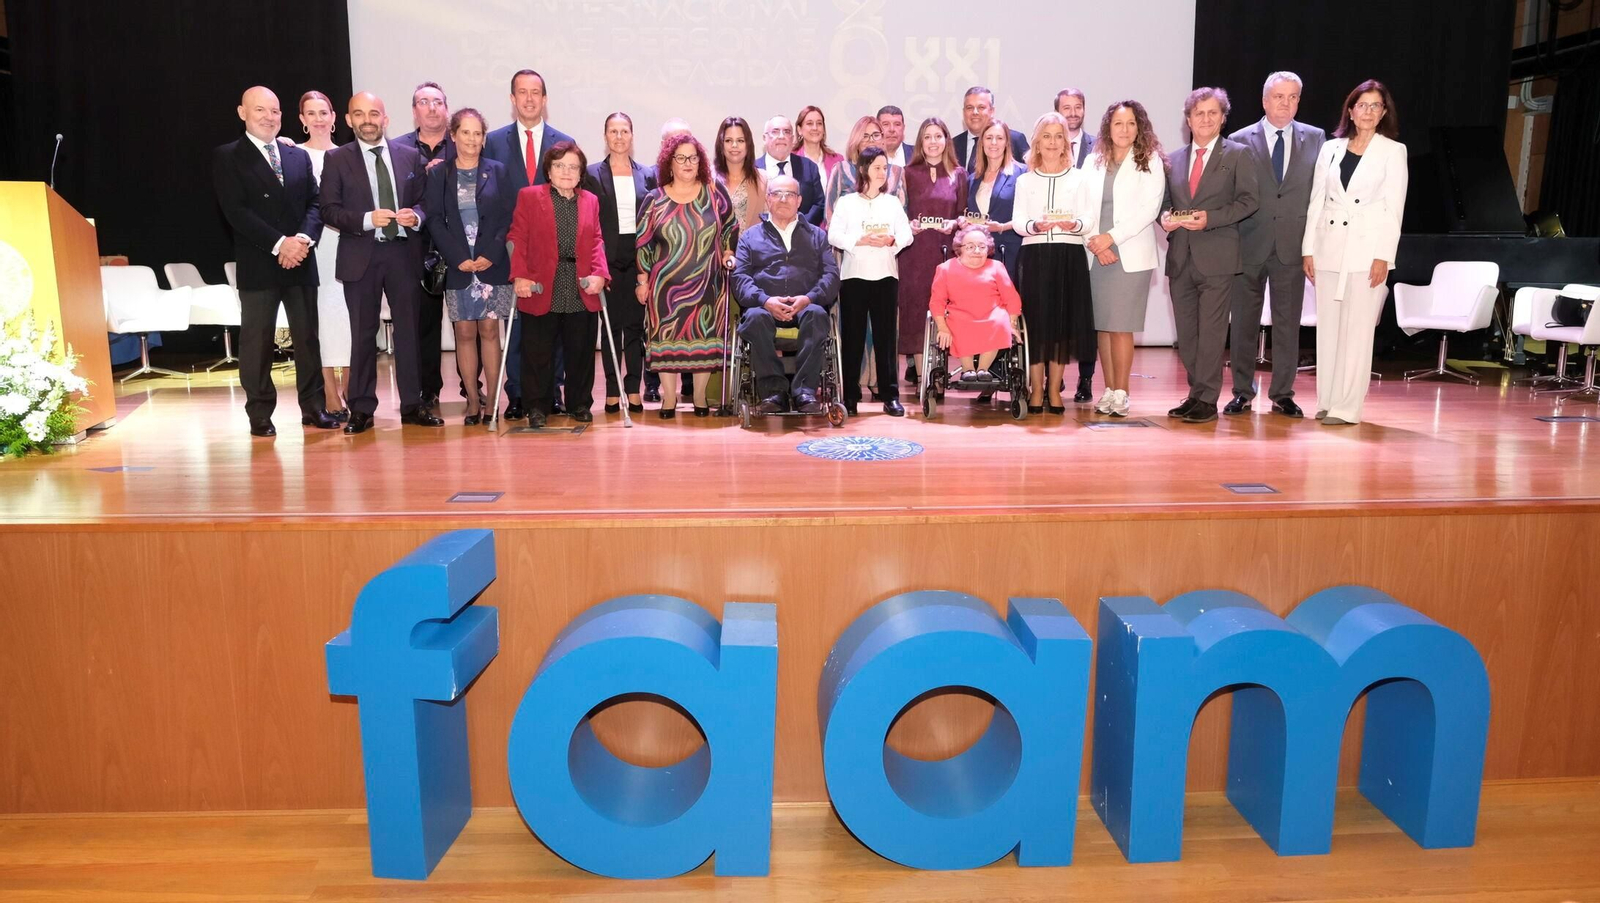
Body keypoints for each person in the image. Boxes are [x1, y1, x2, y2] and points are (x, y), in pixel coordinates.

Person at [212, 86, 338, 438]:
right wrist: (281, 244)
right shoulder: (228, 156)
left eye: (275, 111)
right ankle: (260, 413)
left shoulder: (296, 156)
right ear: (243, 113)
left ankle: (313, 407)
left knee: (307, 340)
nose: (269, 117)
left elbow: (315, 202)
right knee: (258, 343)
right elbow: (236, 211)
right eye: (260, 110)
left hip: (301, 260)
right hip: (259, 263)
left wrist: (303, 240)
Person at [319, 90, 437, 434]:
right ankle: (361, 409)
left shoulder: (409, 156)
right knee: (362, 334)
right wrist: (367, 219)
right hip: (361, 256)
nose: (367, 120)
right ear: (349, 120)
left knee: (409, 333)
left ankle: (413, 405)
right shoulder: (336, 159)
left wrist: (416, 216)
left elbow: (425, 202)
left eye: (374, 114)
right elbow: (328, 210)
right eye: (359, 114)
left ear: (385, 119)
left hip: (403, 255)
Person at [1303, 79, 1408, 426]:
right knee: (1328, 330)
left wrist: (1384, 256)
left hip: (1367, 251)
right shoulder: (1330, 149)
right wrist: (1308, 249)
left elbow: (1394, 209)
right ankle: (1327, 401)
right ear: (1350, 111)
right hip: (1328, 247)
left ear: (1384, 113)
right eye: (1362, 105)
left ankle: (1347, 407)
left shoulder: (1393, 151)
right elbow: (1316, 200)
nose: (1368, 111)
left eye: (1376, 106)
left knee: (1358, 332)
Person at [1225, 71, 1327, 419]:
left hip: (1292, 246)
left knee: (1288, 325)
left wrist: (1314, 245)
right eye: (1279, 97)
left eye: (1293, 97)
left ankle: (1283, 393)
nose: (1286, 103)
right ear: (1264, 100)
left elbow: (1320, 195)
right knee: (1243, 324)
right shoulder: (1239, 139)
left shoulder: (1316, 138)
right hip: (1249, 243)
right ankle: (1242, 392)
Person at [1161, 87, 1259, 424]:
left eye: (1212, 113)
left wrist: (1211, 219)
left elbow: (1249, 201)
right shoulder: (1172, 159)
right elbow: (1165, 203)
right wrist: (1164, 218)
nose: (1205, 119)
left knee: (1212, 334)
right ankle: (1195, 393)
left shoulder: (1239, 155)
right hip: (1180, 257)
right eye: (1198, 113)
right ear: (1188, 120)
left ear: (1222, 118)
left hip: (1218, 257)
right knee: (1187, 335)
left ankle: (1207, 398)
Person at [483, 69, 576, 421]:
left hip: (556, 253)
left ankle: (553, 392)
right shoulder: (493, 142)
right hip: (513, 249)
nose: (529, 99)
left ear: (545, 99)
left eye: (535, 92)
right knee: (518, 326)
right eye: (522, 92)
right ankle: (518, 394)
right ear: (512, 99)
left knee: (555, 326)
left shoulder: (563, 142)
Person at [635, 133, 741, 418]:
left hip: (708, 284)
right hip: (665, 289)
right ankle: (669, 399)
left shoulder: (714, 192)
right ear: (669, 162)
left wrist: (728, 251)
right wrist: (642, 281)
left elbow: (730, 226)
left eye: (693, 158)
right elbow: (643, 242)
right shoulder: (655, 199)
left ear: (700, 162)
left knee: (704, 339)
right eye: (681, 158)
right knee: (666, 342)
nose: (687, 163)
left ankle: (700, 397)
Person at [422, 108, 515, 426]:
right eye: (466, 132)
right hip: (458, 263)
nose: (472, 139)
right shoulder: (439, 174)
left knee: (489, 330)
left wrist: (492, 252)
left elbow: (507, 216)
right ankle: (473, 401)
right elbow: (434, 219)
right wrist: (456, 256)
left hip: (491, 261)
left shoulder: (498, 171)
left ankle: (493, 402)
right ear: (453, 135)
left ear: (484, 137)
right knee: (463, 332)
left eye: (478, 133)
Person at [509, 141, 611, 425]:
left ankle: (579, 404)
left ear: (581, 173)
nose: (566, 172)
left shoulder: (590, 200)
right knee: (537, 351)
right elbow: (517, 237)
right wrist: (520, 275)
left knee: (580, 349)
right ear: (549, 170)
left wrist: (600, 273)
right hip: (542, 284)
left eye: (573, 167)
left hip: (580, 284)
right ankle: (537, 407)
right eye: (560, 165)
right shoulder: (530, 197)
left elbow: (597, 240)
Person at [1078, 100, 1167, 418]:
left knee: (1121, 326)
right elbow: (1080, 204)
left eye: (1131, 123)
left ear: (1139, 127)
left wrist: (1111, 238)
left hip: (1129, 254)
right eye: (1118, 123)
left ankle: (1122, 392)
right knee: (1103, 327)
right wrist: (1096, 242)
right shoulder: (1093, 161)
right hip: (1095, 253)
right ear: (1108, 127)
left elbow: (1149, 209)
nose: (1125, 129)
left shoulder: (1150, 160)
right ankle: (1108, 389)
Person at [731, 175, 841, 414]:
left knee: (817, 315)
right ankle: (774, 392)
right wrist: (765, 300)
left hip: (806, 305)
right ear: (768, 200)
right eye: (776, 194)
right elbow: (740, 278)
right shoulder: (750, 237)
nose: (783, 199)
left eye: (789, 194)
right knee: (754, 318)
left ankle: (804, 391)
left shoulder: (817, 236)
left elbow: (831, 276)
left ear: (799, 200)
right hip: (764, 306)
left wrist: (809, 298)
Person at [1011, 111, 1093, 413]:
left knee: (1060, 324)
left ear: (1066, 143)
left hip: (1068, 255)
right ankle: (1036, 389)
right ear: (1037, 141)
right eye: (1047, 136)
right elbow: (1018, 221)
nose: (1053, 142)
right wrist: (1034, 225)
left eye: (1059, 136)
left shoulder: (1079, 178)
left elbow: (1088, 218)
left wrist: (1076, 225)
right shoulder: (1025, 180)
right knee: (1035, 324)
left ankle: (1055, 390)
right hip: (1034, 256)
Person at [828, 146, 914, 416]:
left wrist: (892, 240)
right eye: (877, 167)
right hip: (854, 276)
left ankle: (890, 396)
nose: (882, 172)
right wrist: (859, 240)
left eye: (885, 168)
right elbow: (833, 235)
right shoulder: (847, 202)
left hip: (885, 276)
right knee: (852, 338)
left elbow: (907, 234)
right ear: (863, 170)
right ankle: (850, 396)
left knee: (886, 339)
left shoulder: (892, 203)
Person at [585, 112, 657, 414]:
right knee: (611, 328)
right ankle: (613, 391)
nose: (619, 137)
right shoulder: (591, 174)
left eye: (624, 131)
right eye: (613, 131)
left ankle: (633, 388)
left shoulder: (647, 174)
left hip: (638, 256)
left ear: (632, 136)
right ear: (605, 136)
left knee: (635, 328)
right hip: (608, 258)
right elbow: (589, 221)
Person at [393, 81, 456, 413]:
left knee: (467, 323)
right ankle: (427, 390)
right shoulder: (397, 149)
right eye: (424, 102)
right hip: (416, 247)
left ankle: (472, 388)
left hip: (459, 246)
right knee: (424, 323)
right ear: (414, 110)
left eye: (438, 102)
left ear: (447, 108)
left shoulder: (464, 144)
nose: (432, 108)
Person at [296, 89, 351, 420]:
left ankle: (351, 388)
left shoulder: (348, 155)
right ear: (302, 119)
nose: (318, 119)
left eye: (324, 112)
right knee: (320, 318)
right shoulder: (293, 155)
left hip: (348, 245)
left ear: (333, 118)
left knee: (348, 316)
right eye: (311, 113)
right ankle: (329, 391)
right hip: (313, 248)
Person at [901, 117, 967, 387]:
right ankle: (923, 378)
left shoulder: (959, 174)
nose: (933, 142)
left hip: (944, 255)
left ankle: (939, 374)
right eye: (927, 137)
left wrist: (954, 223)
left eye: (938, 136)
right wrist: (908, 225)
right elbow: (899, 213)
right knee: (916, 313)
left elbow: (963, 214)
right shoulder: (907, 172)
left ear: (946, 140)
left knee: (944, 312)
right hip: (914, 255)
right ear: (920, 141)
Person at [930, 223, 1023, 378]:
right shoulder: (945, 269)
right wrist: (942, 327)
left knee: (999, 322)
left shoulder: (996, 267)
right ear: (960, 249)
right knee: (958, 323)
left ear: (988, 249)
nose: (977, 251)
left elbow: (1011, 298)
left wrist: (1012, 324)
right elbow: (937, 301)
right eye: (970, 247)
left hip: (992, 315)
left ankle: (983, 369)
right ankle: (968, 370)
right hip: (960, 315)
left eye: (982, 246)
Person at [964, 118, 1026, 283]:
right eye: (989, 137)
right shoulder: (972, 179)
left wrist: (1002, 227)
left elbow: (1030, 215)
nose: (993, 143)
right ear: (982, 143)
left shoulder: (1022, 173)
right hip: (979, 255)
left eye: (999, 138)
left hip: (1010, 253)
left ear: (1007, 143)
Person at [823, 115, 905, 225]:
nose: (871, 140)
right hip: (850, 235)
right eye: (865, 136)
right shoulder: (841, 170)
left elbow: (903, 215)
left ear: (882, 139)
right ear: (856, 141)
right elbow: (829, 213)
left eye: (876, 135)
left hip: (887, 234)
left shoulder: (896, 172)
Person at [754, 116, 825, 225]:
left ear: (792, 139)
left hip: (802, 232)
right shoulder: (753, 169)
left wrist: (799, 227)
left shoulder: (809, 167)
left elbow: (819, 204)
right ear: (764, 138)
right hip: (762, 233)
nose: (781, 136)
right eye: (775, 132)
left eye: (786, 132)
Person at [953, 86, 1028, 172]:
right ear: (963, 112)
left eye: (981, 107)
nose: (975, 112)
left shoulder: (1014, 140)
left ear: (992, 111)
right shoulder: (952, 145)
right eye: (969, 108)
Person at [715, 116, 768, 232]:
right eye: (728, 140)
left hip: (752, 243)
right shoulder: (708, 179)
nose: (734, 145)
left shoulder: (763, 179)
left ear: (748, 145)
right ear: (721, 144)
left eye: (740, 140)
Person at [796, 105, 845, 182]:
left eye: (819, 123)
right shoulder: (791, 159)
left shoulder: (838, 160)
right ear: (799, 130)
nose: (815, 128)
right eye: (809, 123)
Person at [1055, 88, 1096, 168]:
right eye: (1067, 108)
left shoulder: (1098, 146)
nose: (1073, 113)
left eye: (1078, 107)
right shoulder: (1048, 147)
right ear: (1057, 112)